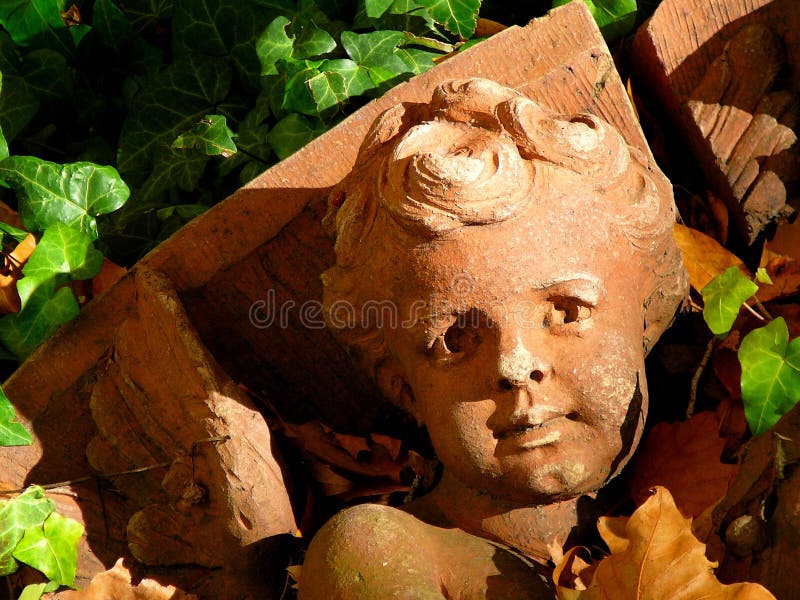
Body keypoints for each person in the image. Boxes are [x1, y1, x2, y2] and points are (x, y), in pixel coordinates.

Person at [299, 78, 688, 598]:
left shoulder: (715, 492)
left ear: (647, 315)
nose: (515, 363)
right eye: (454, 341)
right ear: (403, 389)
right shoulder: (383, 551)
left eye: (566, 312)